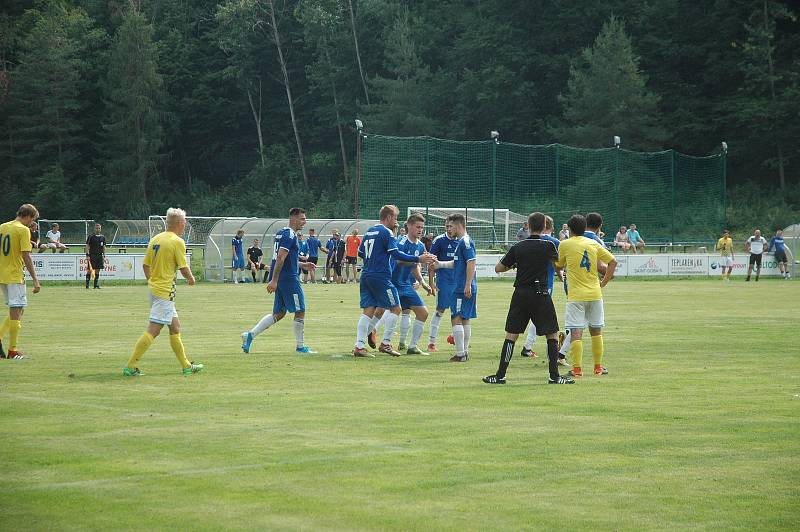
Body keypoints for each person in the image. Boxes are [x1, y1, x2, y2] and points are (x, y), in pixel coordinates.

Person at [483, 212, 574, 385]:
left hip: (521, 294)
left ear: (528, 226)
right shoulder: (549, 246)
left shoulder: (519, 246)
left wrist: (516, 264)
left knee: (512, 334)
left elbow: (498, 268)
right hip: (541, 293)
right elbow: (561, 264)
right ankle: (554, 376)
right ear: (545, 225)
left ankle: (500, 375)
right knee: (552, 334)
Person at [123, 208, 202, 376]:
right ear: (180, 223)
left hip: (155, 290)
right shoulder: (177, 241)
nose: (185, 224)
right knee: (154, 330)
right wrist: (191, 278)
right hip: (165, 292)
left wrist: (152, 281)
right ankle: (130, 366)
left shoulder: (155, 239)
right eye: (185, 221)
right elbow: (183, 266)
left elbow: (146, 265)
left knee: (175, 327)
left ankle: (186, 366)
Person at [352, 205, 435, 357]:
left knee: (368, 311)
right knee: (396, 308)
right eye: (395, 218)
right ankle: (386, 344)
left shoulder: (370, 231)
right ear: (389, 217)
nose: (396, 221)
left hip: (366, 274)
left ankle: (359, 346)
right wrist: (418, 259)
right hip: (381, 276)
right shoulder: (387, 232)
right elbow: (396, 254)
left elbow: (361, 253)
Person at [241, 208, 318, 355]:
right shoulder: (289, 234)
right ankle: (300, 347)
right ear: (293, 218)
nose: (304, 222)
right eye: (302, 219)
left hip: (283, 277)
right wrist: (274, 281)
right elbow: (281, 258)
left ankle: (249, 335)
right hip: (288, 279)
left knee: (279, 313)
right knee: (300, 310)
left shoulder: (282, 232)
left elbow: (285, 257)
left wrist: (302, 265)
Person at [555, 214, 617, 378]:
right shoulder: (593, 243)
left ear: (570, 229)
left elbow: (559, 264)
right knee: (596, 331)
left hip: (576, 295)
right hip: (595, 293)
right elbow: (613, 262)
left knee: (576, 332)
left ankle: (577, 369)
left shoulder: (565, 244)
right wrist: (604, 282)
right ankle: (598, 367)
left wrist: (561, 274)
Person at [519, 215, 568, 367]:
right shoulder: (554, 242)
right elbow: (558, 262)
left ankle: (528, 346)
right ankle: (528, 346)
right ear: (551, 227)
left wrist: (559, 274)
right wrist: (562, 275)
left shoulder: (528, 240)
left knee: (531, 314)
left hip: (527, 283)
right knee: (540, 315)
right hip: (545, 284)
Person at [432, 214, 476, 363]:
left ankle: (460, 354)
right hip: (463, 285)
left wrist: (468, 284)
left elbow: (471, 262)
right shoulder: (462, 242)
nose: (450, 229)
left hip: (461, 287)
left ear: (458, 225)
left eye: (451, 226)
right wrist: (440, 264)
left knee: (456, 317)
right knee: (465, 318)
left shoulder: (465, 242)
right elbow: (458, 263)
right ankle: (464, 352)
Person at [0, 204, 41, 359]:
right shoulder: (23, 230)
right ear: (28, 216)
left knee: (18, 309)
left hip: (2, 274)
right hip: (14, 275)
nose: (32, 223)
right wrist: (36, 280)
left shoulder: (3, 226)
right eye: (33, 220)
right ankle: (13, 350)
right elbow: (26, 256)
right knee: (17, 310)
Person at [393, 214, 434, 355]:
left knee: (423, 313)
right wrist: (418, 259)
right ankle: (366, 339)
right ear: (409, 226)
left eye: (422, 227)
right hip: (393, 283)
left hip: (406, 285)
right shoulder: (401, 242)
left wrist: (422, 282)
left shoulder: (421, 245)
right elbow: (398, 261)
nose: (420, 230)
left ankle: (412, 346)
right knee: (383, 312)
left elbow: (414, 266)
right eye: (418, 227)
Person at [426, 219, 461, 352]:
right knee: (440, 310)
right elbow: (431, 261)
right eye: (447, 226)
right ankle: (431, 343)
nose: (448, 228)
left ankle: (455, 337)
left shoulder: (461, 241)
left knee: (458, 311)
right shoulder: (439, 241)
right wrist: (431, 282)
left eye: (451, 226)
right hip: (444, 281)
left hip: (458, 281)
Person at [84, 223, 106, 289]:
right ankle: (87, 285)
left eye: (99, 228)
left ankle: (95, 285)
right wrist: (87, 255)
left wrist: (104, 255)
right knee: (89, 270)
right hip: (92, 255)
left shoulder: (103, 237)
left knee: (98, 270)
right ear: (94, 229)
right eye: (96, 228)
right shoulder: (91, 236)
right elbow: (87, 246)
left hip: (99, 255)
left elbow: (104, 246)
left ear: (100, 229)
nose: (98, 229)